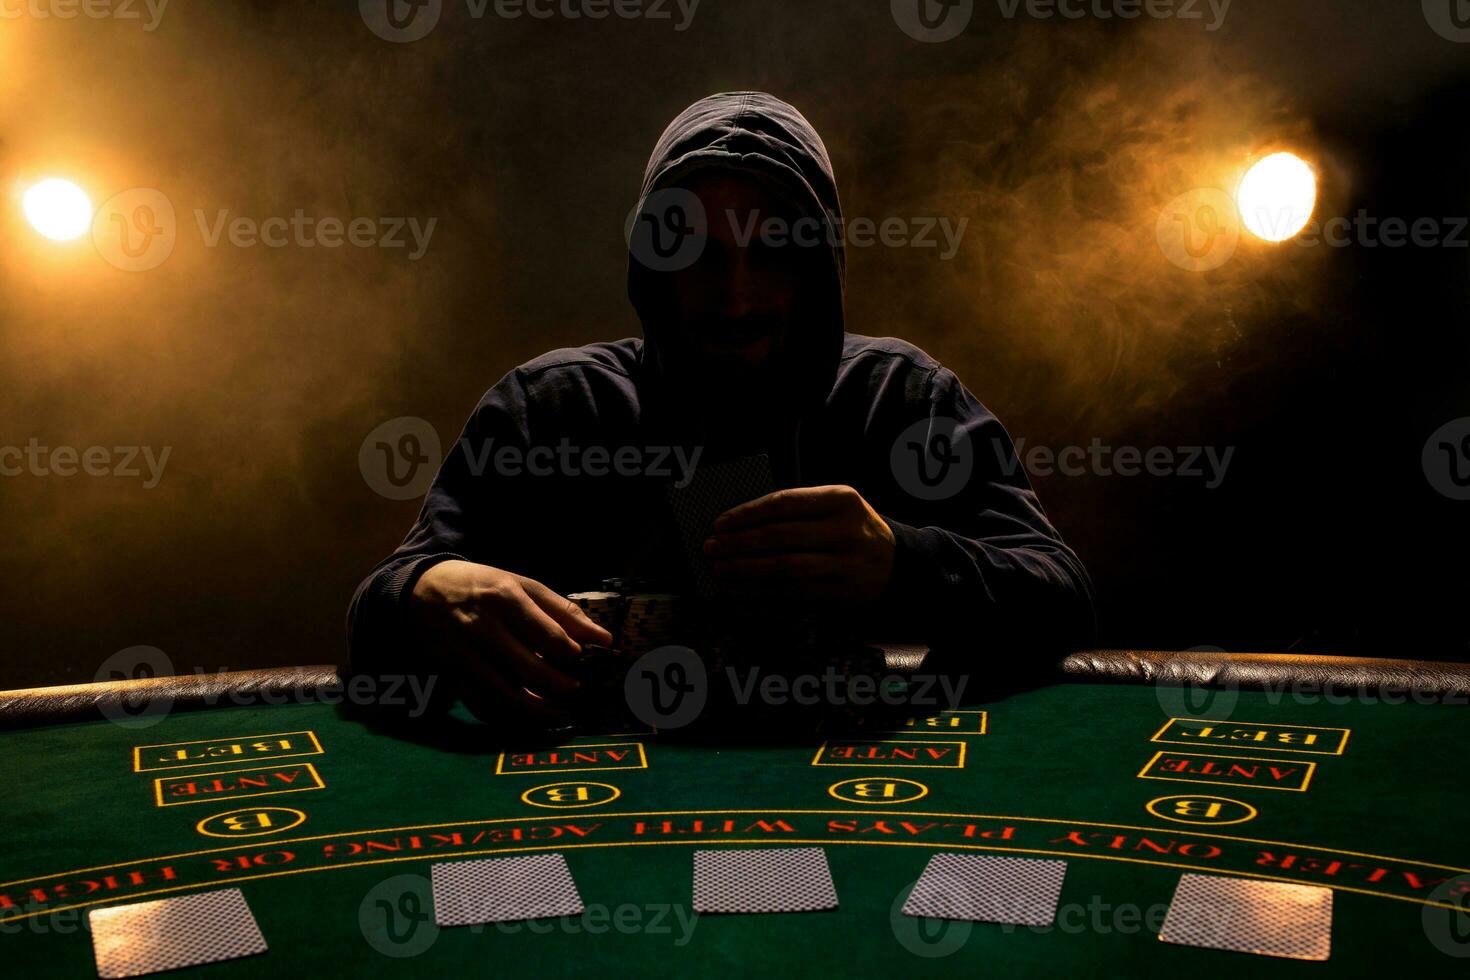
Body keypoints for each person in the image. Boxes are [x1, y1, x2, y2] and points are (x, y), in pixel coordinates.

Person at [348, 91, 1094, 726]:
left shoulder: (900, 401)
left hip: (855, 822)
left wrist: (903, 563)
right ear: (655, 267)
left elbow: (1061, 594)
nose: (735, 297)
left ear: (816, 267)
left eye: (770, 252)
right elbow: (379, 612)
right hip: (596, 831)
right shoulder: (548, 410)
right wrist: (418, 593)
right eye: (700, 254)